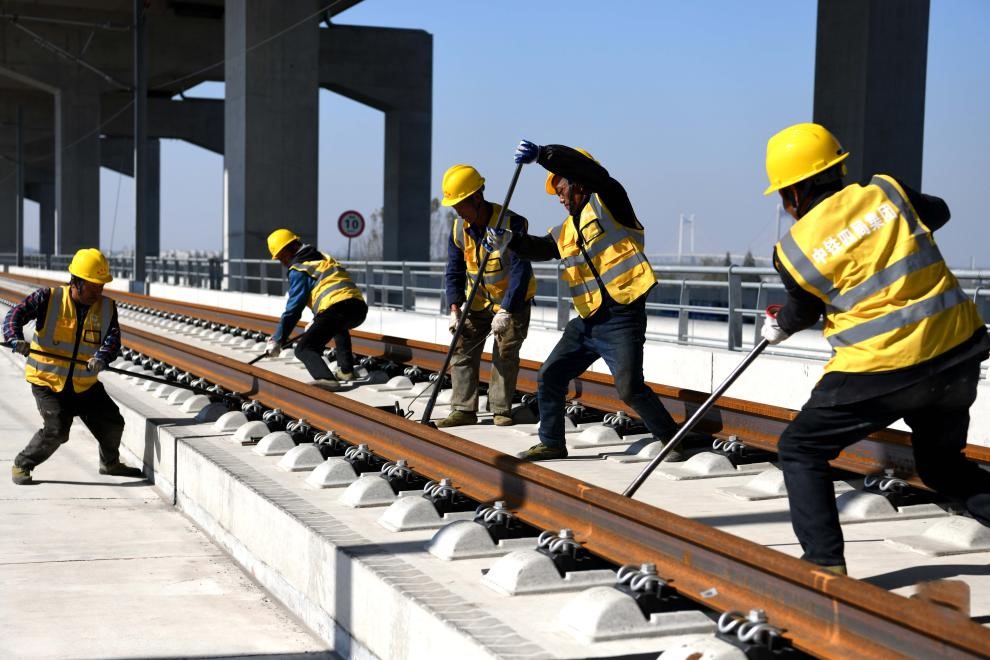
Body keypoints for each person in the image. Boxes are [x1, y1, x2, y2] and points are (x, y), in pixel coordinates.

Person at [760, 122, 990, 574]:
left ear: (795, 193)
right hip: (955, 355)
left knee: (801, 450)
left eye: (784, 196)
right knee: (943, 468)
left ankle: (825, 567)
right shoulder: (887, 191)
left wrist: (779, 326)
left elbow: (803, 310)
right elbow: (938, 213)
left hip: (881, 368)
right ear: (838, 169)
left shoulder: (793, 250)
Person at [486, 141, 679, 461]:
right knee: (551, 374)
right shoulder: (566, 230)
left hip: (622, 312)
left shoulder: (612, 202)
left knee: (629, 388)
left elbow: (594, 174)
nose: (559, 198)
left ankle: (671, 438)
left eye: (562, 189)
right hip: (588, 319)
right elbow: (542, 247)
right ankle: (550, 442)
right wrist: (510, 241)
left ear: (579, 183)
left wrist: (544, 156)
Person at [3, 248, 144, 485]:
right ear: (76, 282)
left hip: (83, 384)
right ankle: (22, 464)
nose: (98, 290)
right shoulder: (48, 298)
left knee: (112, 422)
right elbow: (14, 316)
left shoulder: (107, 307)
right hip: (48, 382)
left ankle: (110, 464)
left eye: (101, 285)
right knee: (57, 430)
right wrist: (15, 338)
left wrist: (102, 357)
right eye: (93, 285)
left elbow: (112, 339)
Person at [436, 164, 536, 428]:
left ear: (477, 199)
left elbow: (519, 270)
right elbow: (454, 270)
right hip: (477, 302)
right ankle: (463, 409)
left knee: (505, 351)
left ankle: (501, 409)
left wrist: (506, 310)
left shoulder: (511, 223)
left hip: (511, 302)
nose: (457, 211)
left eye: (460, 204)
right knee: (462, 346)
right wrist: (454, 307)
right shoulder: (459, 229)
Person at [264, 228, 368, 389]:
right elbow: (332, 289)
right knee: (338, 328)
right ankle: (346, 371)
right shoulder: (324, 258)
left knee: (304, 348)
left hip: (335, 309)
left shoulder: (299, 269)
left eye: (281, 257)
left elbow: (293, 310)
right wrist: (317, 319)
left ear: (291, 248)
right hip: (358, 309)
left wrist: (277, 339)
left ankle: (326, 379)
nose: (282, 262)